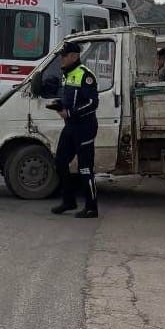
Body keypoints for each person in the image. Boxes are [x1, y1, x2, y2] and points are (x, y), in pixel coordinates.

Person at [50, 41, 100, 218]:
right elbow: (69, 99)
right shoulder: (67, 75)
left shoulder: (86, 75)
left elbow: (93, 103)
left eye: (64, 56)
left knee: (85, 168)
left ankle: (91, 207)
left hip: (85, 127)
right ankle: (69, 201)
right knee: (60, 162)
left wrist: (70, 112)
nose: (61, 59)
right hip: (70, 126)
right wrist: (59, 106)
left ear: (74, 56)